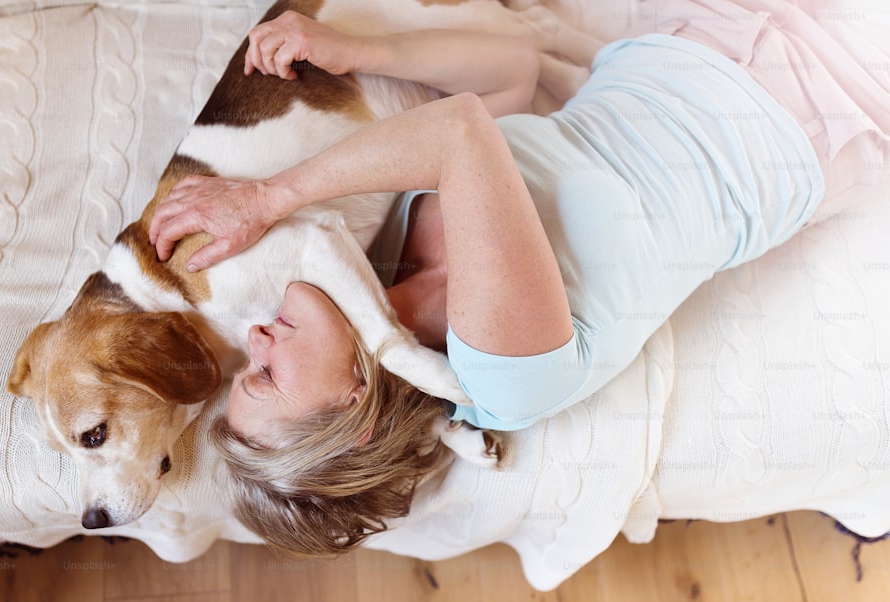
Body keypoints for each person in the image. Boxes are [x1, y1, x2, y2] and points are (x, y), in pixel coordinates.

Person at [148, 1, 890, 555]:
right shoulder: (502, 375)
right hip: (813, 101)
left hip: (693, 37)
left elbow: (514, 74)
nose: (255, 338)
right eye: (266, 377)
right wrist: (267, 196)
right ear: (355, 411)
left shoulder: (399, 236)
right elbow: (461, 129)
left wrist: (355, 49)